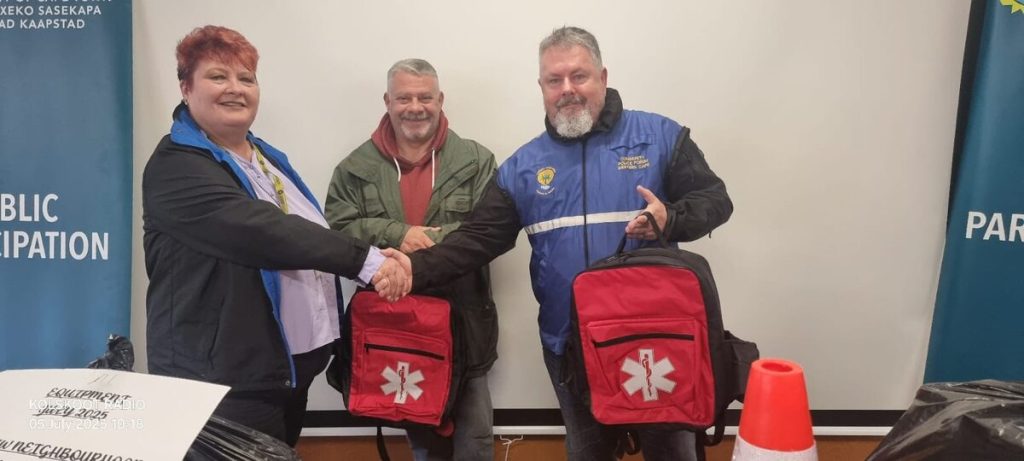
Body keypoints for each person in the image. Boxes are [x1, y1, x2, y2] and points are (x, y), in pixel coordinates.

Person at [404, 26, 733, 461]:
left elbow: (715, 201)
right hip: (570, 345)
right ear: (541, 87)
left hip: (655, 338)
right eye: (554, 80)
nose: (567, 90)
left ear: (603, 76)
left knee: (671, 452)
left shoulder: (661, 136)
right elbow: (476, 240)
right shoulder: (523, 167)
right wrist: (411, 269)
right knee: (588, 452)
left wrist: (671, 218)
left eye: (579, 76)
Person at [141, 25, 409, 445]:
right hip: (223, 385)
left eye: (246, 78)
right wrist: (370, 262)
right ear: (185, 87)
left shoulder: (263, 155)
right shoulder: (176, 166)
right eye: (218, 76)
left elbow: (312, 231)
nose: (236, 88)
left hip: (282, 376)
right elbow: (266, 232)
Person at [325, 58, 498, 461]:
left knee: (475, 441)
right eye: (404, 97)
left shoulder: (477, 161)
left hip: (465, 324)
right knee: (422, 438)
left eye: (425, 97)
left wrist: (425, 250)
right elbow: (337, 231)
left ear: (440, 99)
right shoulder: (354, 169)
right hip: (395, 326)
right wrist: (398, 234)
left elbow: (490, 230)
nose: (415, 107)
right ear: (387, 101)